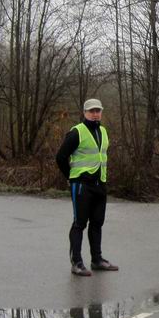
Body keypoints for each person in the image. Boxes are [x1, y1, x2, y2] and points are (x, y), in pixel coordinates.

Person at [55, 98, 119, 276]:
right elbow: (60, 157)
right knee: (79, 223)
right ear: (84, 112)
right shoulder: (77, 132)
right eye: (91, 111)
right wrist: (71, 177)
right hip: (82, 185)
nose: (95, 113)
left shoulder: (103, 131)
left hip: (100, 184)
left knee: (97, 223)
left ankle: (97, 260)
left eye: (98, 110)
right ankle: (77, 262)